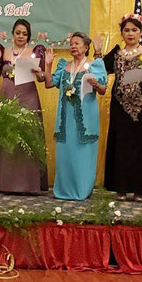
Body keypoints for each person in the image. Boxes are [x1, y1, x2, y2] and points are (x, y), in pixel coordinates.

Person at [0, 20, 52, 193]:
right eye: (18, 33)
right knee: (6, 137)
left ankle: (27, 184)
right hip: (7, 96)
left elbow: (41, 79)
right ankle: (4, 183)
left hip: (27, 97)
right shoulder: (4, 51)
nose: (20, 36)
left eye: (24, 33)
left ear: (28, 36)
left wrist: (40, 73)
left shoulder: (35, 52)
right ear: (12, 33)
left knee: (26, 138)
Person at [102, 14, 142, 201]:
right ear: (121, 33)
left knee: (140, 143)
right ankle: (121, 187)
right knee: (121, 142)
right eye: (126, 30)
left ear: (141, 32)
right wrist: (96, 51)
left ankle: (140, 189)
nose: (131, 33)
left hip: (141, 105)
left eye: (134, 30)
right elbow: (101, 68)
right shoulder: (117, 53)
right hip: (119, 104)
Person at [49, 32, 107, 200]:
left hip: (85, 118)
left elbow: (103, 89)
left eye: (77, 43)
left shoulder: (94, 65)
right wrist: (47, 65)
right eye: (71, 43)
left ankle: (82, 189)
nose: (73, 46)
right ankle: (64, 189)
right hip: (66, 119)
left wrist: (96, 84)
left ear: (86, 47)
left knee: (83, 154)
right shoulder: (63, 66)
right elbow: (48, 83)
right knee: (66, 153)